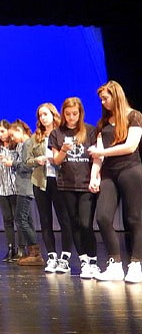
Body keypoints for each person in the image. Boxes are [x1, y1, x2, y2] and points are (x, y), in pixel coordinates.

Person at [88, 81, 142, 283]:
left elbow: (130, 146)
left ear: (116, 96)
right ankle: (115, 264)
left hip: (131, 170)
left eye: (105, 98)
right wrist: (95, 175)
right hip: (109, 173)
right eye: (101, 99)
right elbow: (98, 156)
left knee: (134, 218)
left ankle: (136, 264)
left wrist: (102, 152)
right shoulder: (103, 123)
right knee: (102, 216)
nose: (103, 102)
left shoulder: (134, 116)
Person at [49, 97, 99, 277]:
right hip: (66, 184)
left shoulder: (90, 131)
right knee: (74, 223)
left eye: (75, 114)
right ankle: (84, 260)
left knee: (86, 223)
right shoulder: (56, 133)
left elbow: (96, 158)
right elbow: (56, 161)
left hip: (85, 183)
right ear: (63, 114)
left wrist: (96, 177)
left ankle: (93, 260)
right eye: (68, 114)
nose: (71, 118)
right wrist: (63, 150)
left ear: (80, 114)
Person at [28, 102, 70, 273]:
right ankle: (51, 256)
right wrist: (37, 161)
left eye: (45, 114)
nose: (42, 118)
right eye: (40, 115)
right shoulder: (35, 137)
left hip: (60, 180)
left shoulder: (62, 133)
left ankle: (65, 258)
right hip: (41, 181)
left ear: (53, 114)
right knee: (45, 221)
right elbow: (27, 160)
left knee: (64, 220)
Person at [8, 119, 44, 266]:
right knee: (25, 219)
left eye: (12, 135)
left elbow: (27, 165)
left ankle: (35, 252)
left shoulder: (27, 144)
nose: (12, 139)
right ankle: (33, 251)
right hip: (23, 187)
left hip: (26, 187)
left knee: (20, 219)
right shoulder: (22, 145)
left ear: (19, 131)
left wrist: (12, 164)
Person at [0, 119, 20, 262]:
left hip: (15, 187)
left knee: (18, 219)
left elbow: (20, 165)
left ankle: (21, 249)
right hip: (2, 188)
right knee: (7, 220)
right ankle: (11, 248)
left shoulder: (16, 145)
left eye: (2, 131)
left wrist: (7, 160)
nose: (1, 134)